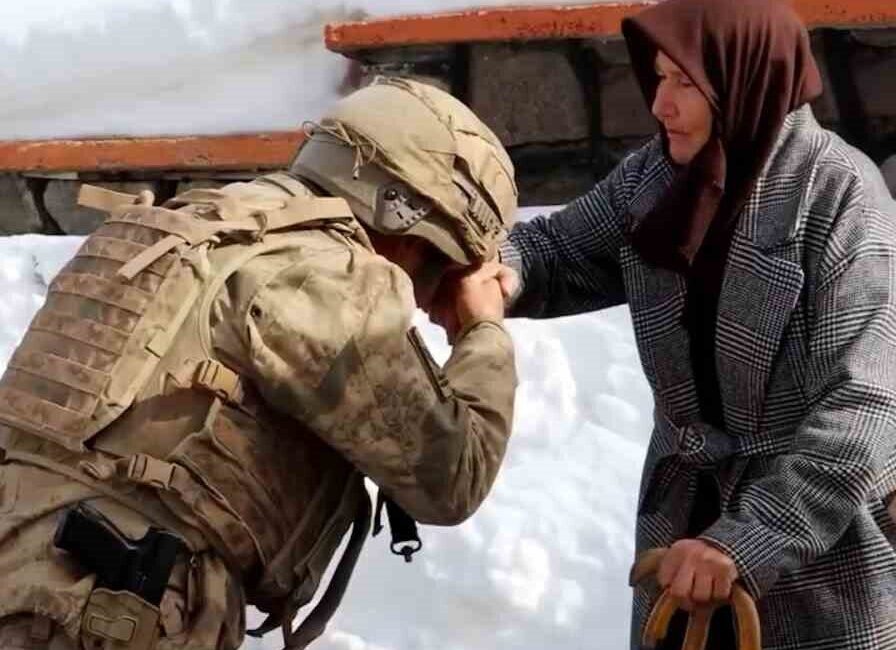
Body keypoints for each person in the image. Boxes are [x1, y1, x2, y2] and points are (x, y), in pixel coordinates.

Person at [0, 76, 520, 650]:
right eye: (440, 266)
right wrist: (481, 328)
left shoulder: (188, 228)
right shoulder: (321, 276)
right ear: (410, 222)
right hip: (100, 613)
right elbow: (452, 478)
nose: (423, 297)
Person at [495, 0, 896, 647]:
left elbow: (865, 409)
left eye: (684, 82)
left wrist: (746, 539)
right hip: (682, 535)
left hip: (818, 553)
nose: (660, 105)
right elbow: (556, 250)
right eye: (658, 78)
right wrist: (493, 273)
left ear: (745, 79)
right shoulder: (656, 177)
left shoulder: (840, 194)